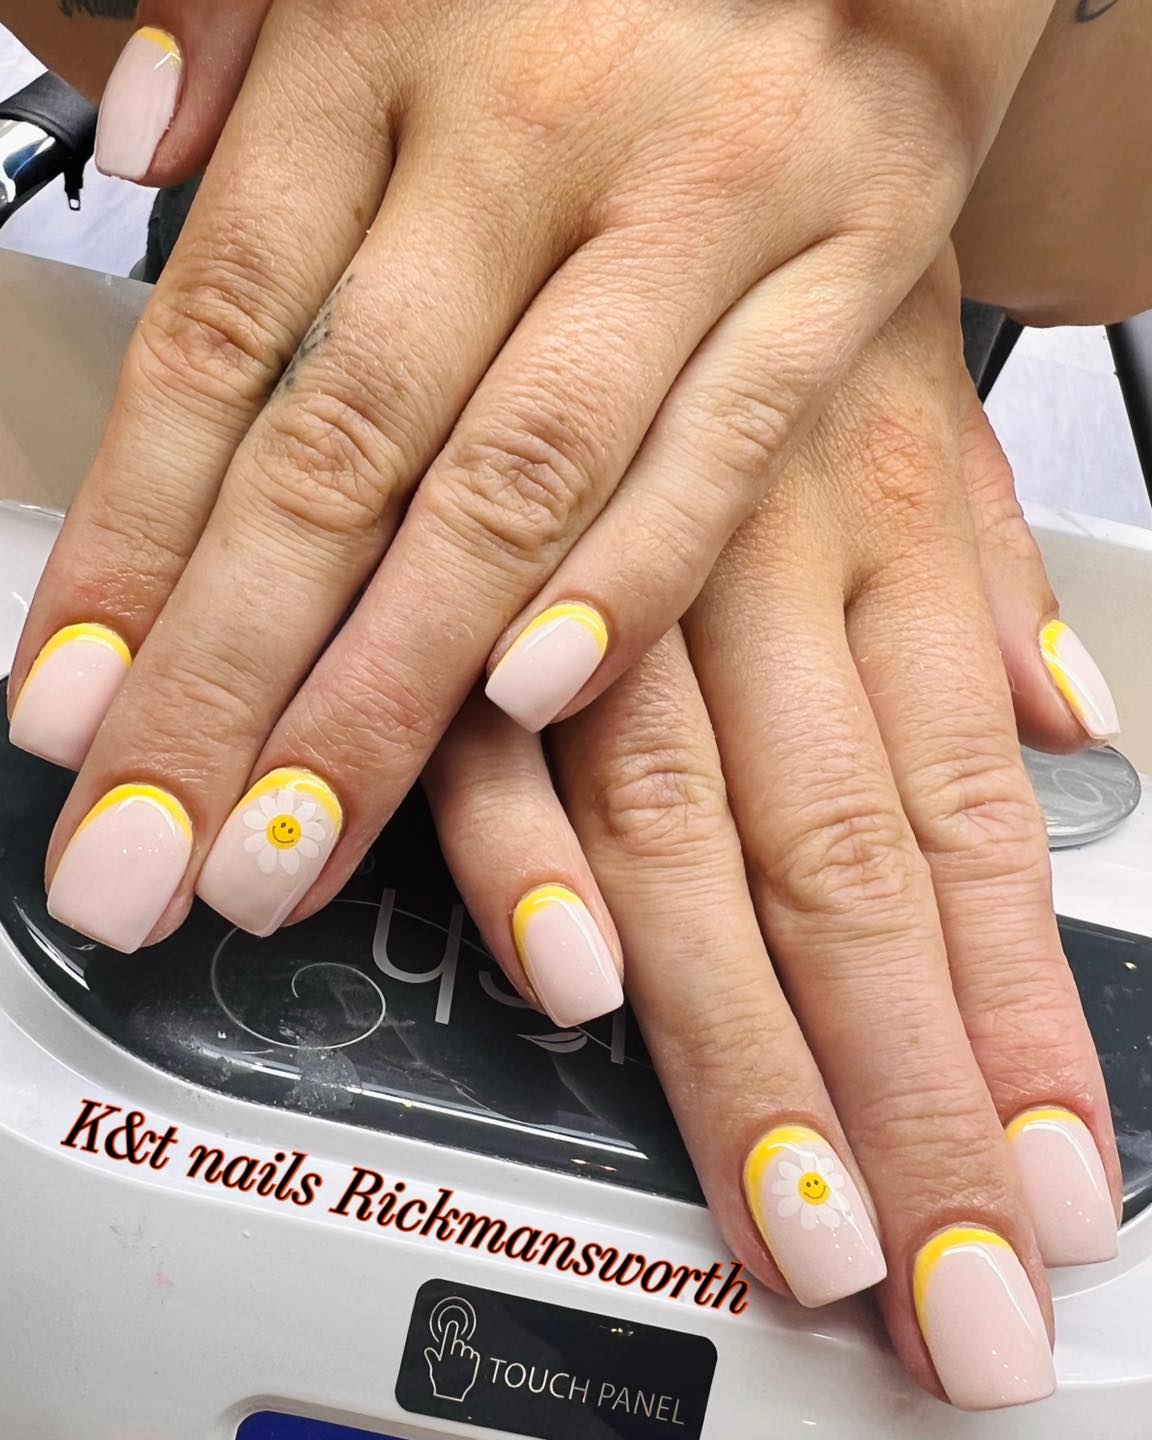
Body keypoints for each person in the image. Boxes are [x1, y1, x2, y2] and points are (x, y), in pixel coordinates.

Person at [3, 0, 1149, 1410]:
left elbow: (1089, 235)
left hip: (816, 412)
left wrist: (898, 72)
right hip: (320, 278)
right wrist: (805, 213)